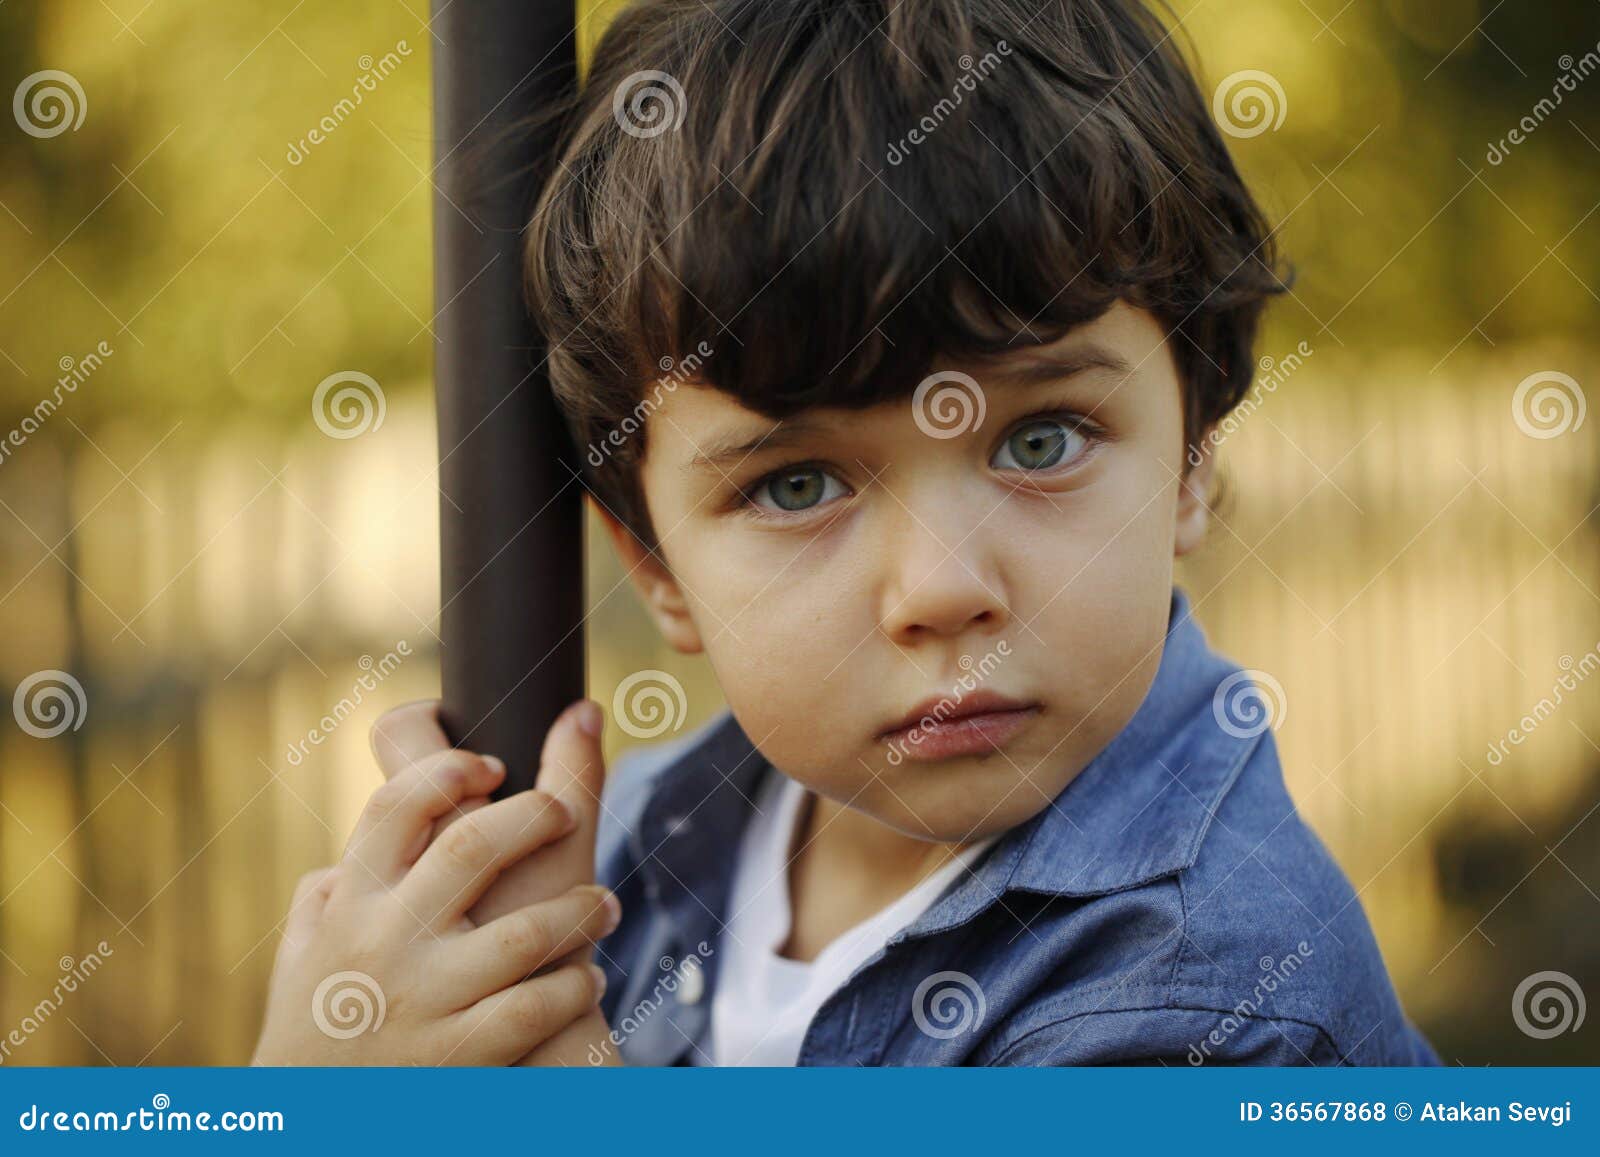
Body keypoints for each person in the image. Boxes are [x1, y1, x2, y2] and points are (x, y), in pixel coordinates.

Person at [254, 0, 1440, 1066]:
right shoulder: (632, 855)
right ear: (658, 567)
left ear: (1192, 455)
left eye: (1040, 442)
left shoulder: (1215, 997)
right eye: (796, 483)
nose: (940, 591)